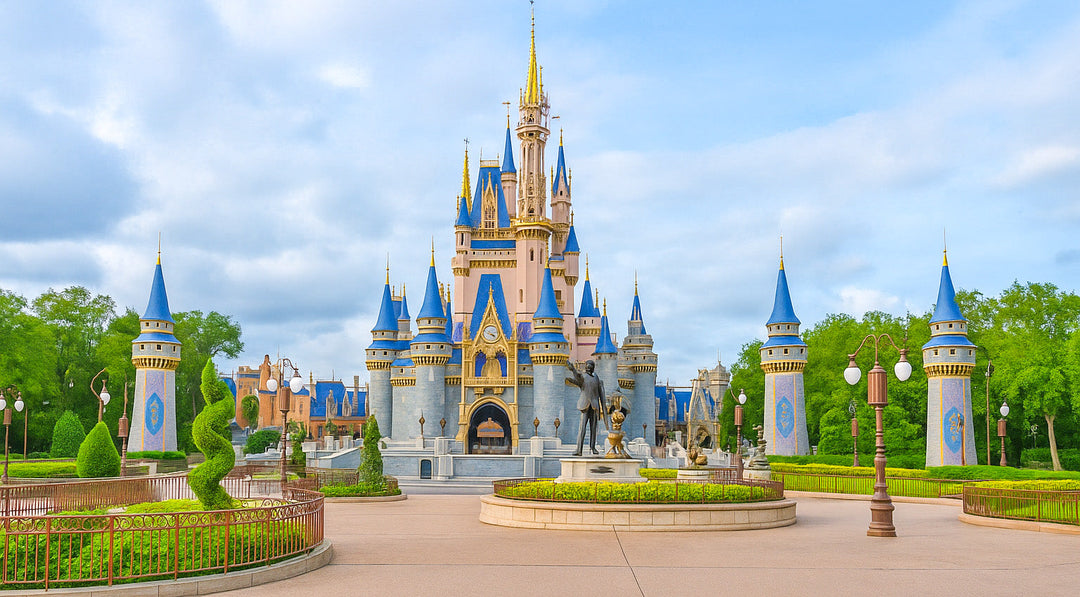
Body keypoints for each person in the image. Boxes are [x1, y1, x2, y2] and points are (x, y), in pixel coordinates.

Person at [566, 360, 607, 456]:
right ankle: (578, 449)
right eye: (587, 366)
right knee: (582, 428)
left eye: (590, 366)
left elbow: (600, 392)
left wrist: (601, 407)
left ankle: (593, 447)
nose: (589, 367)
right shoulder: (583, 376)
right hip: (585, 405)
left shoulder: (596, 377)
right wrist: (573, 370)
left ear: (593, 367)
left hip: (594, 406)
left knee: (593, 428)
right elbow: (578, 378)